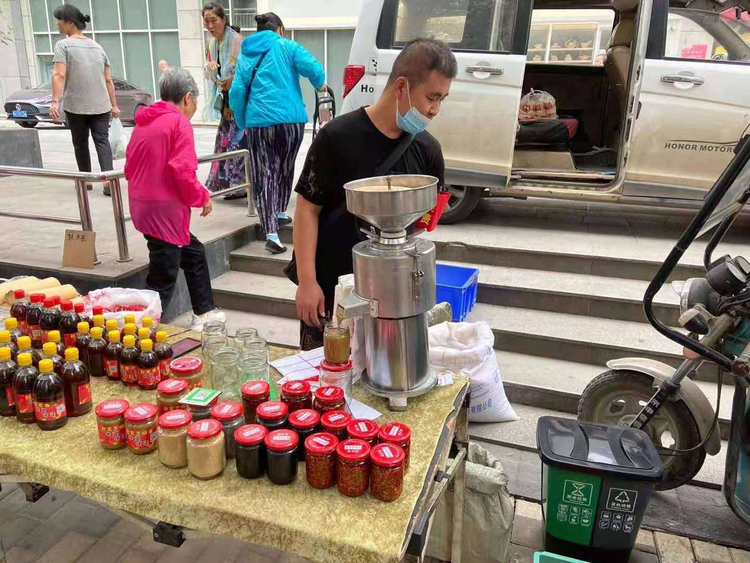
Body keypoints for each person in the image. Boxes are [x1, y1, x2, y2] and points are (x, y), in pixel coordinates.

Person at [293, 39, 456, 350]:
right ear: (401, 87)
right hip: (332, 288)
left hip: (394, 297)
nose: (435, 110)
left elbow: (424, 221)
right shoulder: (336, 137)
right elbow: (307, 210)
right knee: (328, 380)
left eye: (442, 100)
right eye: (432, 97)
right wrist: (307, 282)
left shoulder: (428, 150)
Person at [124, 67, 226, 332]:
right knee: (163, 278)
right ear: (188, 98)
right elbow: (182, 170)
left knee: (193, 253)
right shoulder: (178, 123)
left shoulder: (145, 122)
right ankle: (136, 334)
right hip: (164, 212)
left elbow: (129, 167)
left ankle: (204, 313)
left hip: (143, 207)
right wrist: (203, 197)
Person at [229, 12, 326, 255]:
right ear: (280, 29)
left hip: (260, 124)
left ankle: (271, 232)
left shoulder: (246, 53)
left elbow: (238, 91)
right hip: (291, 121)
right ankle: (281, 212)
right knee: (285, 165)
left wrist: (243, 121)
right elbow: (313, 68)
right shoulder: (288, 46)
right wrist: (320, 83)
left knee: (265, 174)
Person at [50, 4, 120, 196]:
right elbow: (108, 80)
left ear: (70, 24)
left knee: (80, 143)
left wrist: (55, 101)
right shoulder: (98, 47)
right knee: (102, 142)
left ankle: (86, 180)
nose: (57, 24)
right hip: (101, 105)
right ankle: (108, 183)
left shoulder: (63, 45)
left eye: (60, 20)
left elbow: (59, 74)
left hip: (77, 106)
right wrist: (113, 105)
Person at [202, 2, 247, 199]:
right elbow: (210, 71)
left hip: (241, 100)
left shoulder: (238, 41)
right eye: (206, 22)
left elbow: (246, 71)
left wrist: (233, 81)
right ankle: (227, 183)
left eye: (214, 21)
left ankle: (241, 185)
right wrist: (213, 73)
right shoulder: (211, 44)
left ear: (224, 19)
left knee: (238, 142)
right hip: (226, 100)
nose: (210, 26)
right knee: (225, 141)